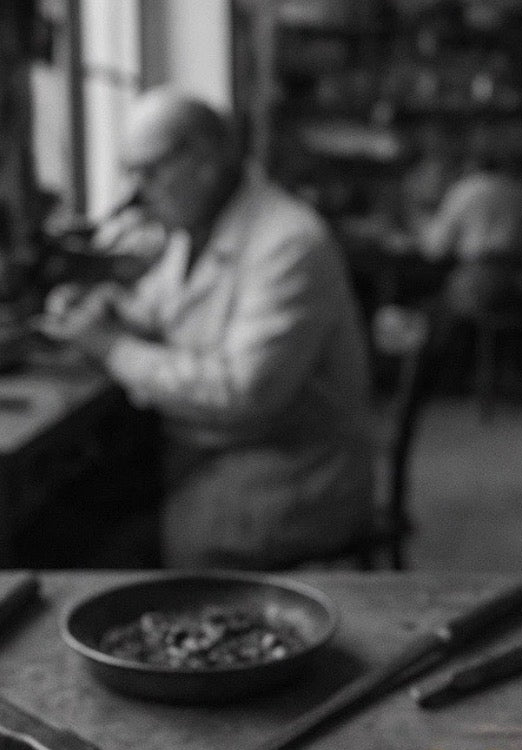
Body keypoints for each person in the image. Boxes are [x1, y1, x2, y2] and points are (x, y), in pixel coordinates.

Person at [44, 88, 375, 568]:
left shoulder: (289, 244)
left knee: (104, 554)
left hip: (290, 468)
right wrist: (110, 311)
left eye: (149, 171)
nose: (135, 193)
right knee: (73, 508)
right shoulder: (196, 226)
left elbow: (242, 393)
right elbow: (164, 311)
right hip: (216, 450)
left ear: (203, 162)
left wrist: (112, 348)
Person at [418, 132, 522, 315]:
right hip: (518, 282)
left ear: (471, 163)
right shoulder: (517, 190)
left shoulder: (466, 189)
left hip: (477, 281)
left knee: (433, 310)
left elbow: (435, 249)